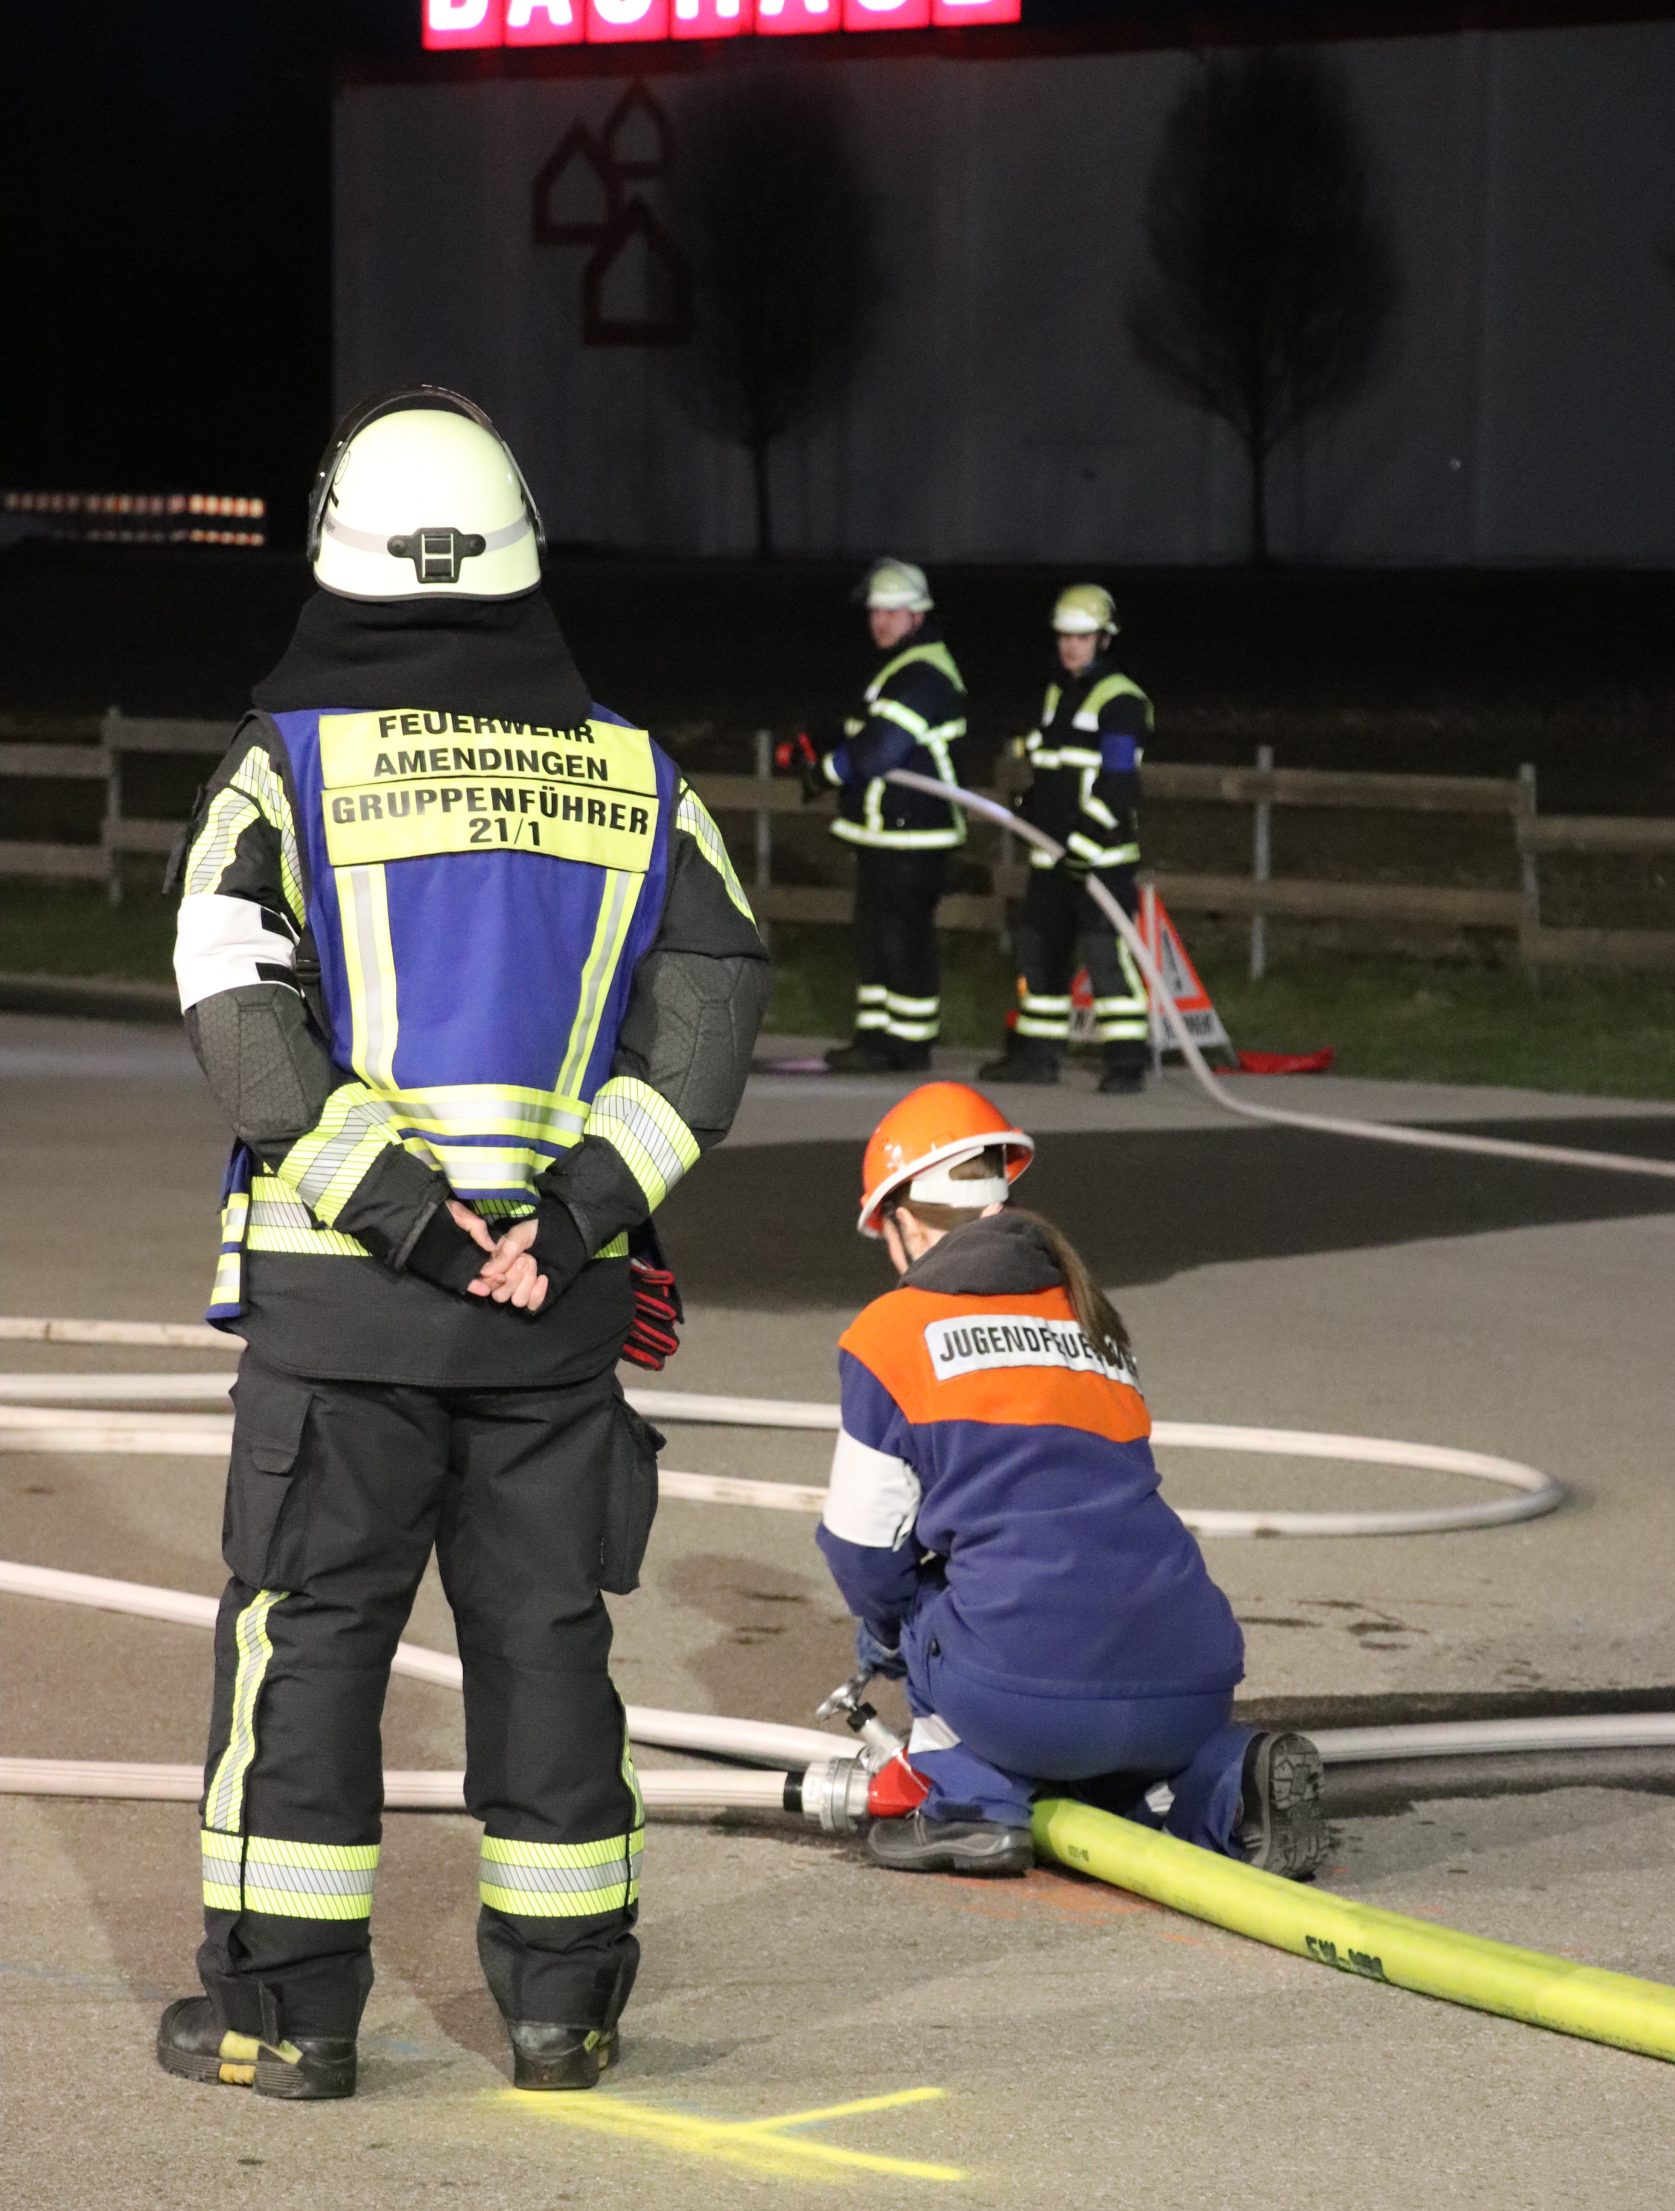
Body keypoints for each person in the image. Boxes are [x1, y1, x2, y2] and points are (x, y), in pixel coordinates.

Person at [155, 385, 769, 2101]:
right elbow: (709, 1029)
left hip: (347, 1308)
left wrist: (417, 1226)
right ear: (521, 557)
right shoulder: (637, 776)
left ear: (333, 549)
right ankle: (565, 2013)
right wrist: (565, 1222)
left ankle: (284, 2021)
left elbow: (238, 1016)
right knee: (548, 1645)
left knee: (309, 1645)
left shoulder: (285, 768)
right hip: (551, 1318)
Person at [816, 1083, 1326, 1880]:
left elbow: (859, 1547)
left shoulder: (889, 1333)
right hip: (1188, 1681)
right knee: (1106, 1724)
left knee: (926, 1610)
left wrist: (887, 1635)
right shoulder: (1090, 1315)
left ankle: (968, 1803)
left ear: (904, 1220)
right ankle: (1227, 1781)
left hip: (1026, 1697)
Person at [983, 582, 1153, 1094]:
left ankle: (1127, 1062)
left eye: (1081, 637)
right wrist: (1032, 803)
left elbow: (1118, 783)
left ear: (1104, 639)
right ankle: (1038, 1056)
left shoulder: (1122, 701)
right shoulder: (1058, 693)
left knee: (1105, 958)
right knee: (1040, 955)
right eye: (1064, 637)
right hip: (1050, 856)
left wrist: (1083, 846)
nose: (1070, 647)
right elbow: (1056, 766)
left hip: (1100, 858)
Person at [802, 558, 967, 1074]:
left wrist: (824, 772)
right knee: (874, 936)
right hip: (887, 831)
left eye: (893, 612)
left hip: (914, 833)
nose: (881, 621)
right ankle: (875, 1036)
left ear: (918, 616)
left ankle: (909, 1044)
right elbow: (866, 737)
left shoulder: (924, 675)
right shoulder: (899, 668)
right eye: (876, 612)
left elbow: (880, 751)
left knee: (902, 939)